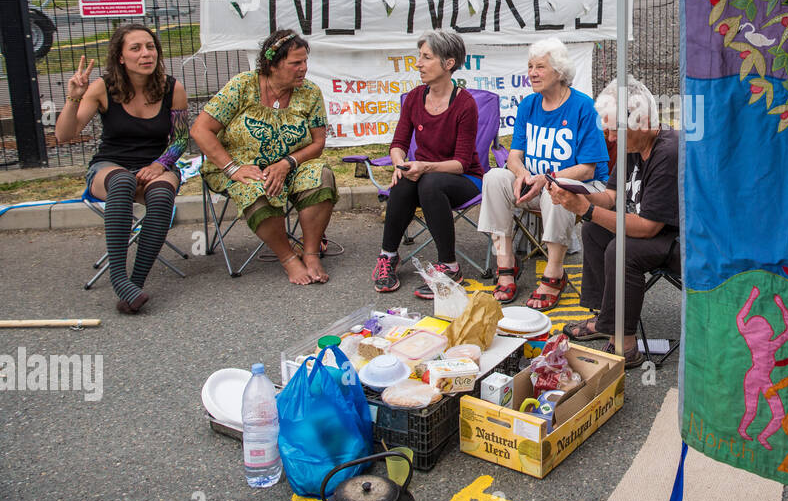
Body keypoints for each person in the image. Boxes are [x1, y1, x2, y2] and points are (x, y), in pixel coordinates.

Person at [55, 23, 190, 313]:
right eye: (136, 48)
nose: (146, 54)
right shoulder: (102, 88)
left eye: (150, 46)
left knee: (162, 195)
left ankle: (135, 285)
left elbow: (180, 139)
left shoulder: (172, 88)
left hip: (156, 164)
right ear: (120, 57)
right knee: (122, 182)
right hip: (110, 166)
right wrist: (74, 97)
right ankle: (119, 278)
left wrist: (160, 164)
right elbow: (65, 135)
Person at [190, 30, 337, 286]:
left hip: (291, 166)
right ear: (272, 64)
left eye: (305, 62)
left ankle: (311, 253)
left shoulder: (310, 93)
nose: (303, 68)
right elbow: (200, 130)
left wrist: (287, 163)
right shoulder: (242, 86)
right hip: (239, 168)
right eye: (295, 63)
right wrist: (232, 168)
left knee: (322, 175)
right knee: (254, 187)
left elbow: (318, 143)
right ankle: (288, 257)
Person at [553, 76, 678, 363]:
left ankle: (626, 343)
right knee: (594, 230)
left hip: (686, 241)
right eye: (607, 130)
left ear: (642, 122)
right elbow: (611, 197)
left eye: (615, 131)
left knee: (621, 249)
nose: (610, 139)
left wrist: (585, 209)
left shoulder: (668, 152)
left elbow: (647, 228)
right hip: (657, 232)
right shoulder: (632, 147)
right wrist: (575, 193)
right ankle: (605, 319)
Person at [478, 37, 607, 310]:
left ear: (559, 72)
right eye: (530, 67)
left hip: (581, 189)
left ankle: (554, 274)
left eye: (540, 67)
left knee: (559, 187)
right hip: (532, 185)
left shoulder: (583, 107)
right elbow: (514, 156)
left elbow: (588, 168)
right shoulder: (529, 105)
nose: (532, 73)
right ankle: (506, 264)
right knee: (494, 178)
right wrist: (522, 172)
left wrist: (545, 179)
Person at [371, 30, 484, 295]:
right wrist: (400, 164)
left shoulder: (465, 104)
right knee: (403, 184)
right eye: (419, 57)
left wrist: (425, 167)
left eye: (426, 57)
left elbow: (461, 163)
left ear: (449, 63)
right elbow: (398, 144)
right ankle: (388, 255)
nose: (418, 64)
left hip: (465, 179)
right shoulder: (414, 97)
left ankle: (449, 266)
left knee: (429, 182)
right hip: (425, 176)